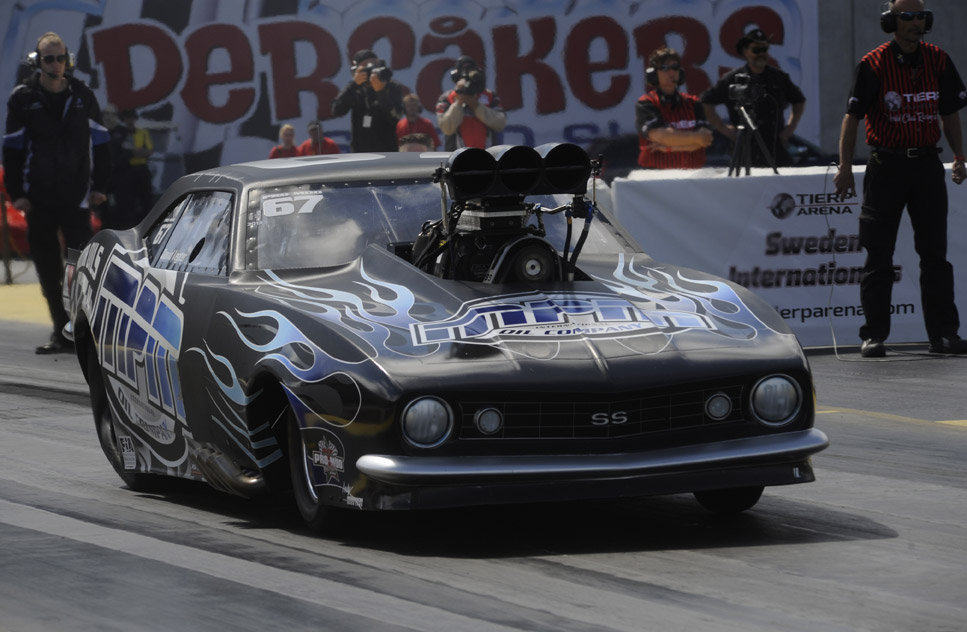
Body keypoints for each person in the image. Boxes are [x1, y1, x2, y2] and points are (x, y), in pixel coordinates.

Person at [833, 0, 967, 357]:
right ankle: (874, 335)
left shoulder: (939, 59)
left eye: (920, 16)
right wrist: (844, 168)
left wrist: (959, 156)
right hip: (886, 166)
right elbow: (852, 118)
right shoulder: (873, 63)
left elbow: (950, 113)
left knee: (935, 255)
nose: (915, 22)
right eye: (907, 16)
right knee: (879, 255)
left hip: (926, 165)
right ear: (890, 21)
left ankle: (944, 335)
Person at [3, 32, 110, 353]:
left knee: (81, 267)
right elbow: (12, 150)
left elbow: (102, 144)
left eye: (60, 58)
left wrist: (100, 187)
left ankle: (82, 332)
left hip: (77, 196)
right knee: (48, 269)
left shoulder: (82, 95)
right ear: (37, 62)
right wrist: (17, 193)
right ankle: (60, 333)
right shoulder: (22, 98)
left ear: (68, 60)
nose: (56, 64)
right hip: (38, 198)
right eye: (49, 58)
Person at [701, 28, 806, 168]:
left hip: (774, 147)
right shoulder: (733, 79)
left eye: (764, 49)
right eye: (756, 50)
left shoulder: (778, 77)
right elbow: (707, 101)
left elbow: (799, 100)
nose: (761, 54)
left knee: (780, 179)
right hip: (744, 147)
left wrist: (790, 128)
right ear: (745, 52)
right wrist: (723, 128)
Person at [635, 47, 713, 169]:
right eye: (665, 68)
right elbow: (661, 136)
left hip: (693, 174)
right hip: (655, 175)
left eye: (675, 68)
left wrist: (669, 148)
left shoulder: (693, 102)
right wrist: (695, 138)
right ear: (653, 74)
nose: (672, 72)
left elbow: (705, 139)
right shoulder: (646, 103)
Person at [331, 49, 403, 152]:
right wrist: (354, 85)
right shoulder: (355, 89)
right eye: (366, 66)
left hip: (387, 151)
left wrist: (381, 92)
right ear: (356, 70)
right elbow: (337, 111)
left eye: (375, 64)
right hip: (360, 152)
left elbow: (395, 118)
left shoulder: (391, 86)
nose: (371, 69)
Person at [436, 55, 507, 150]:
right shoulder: (447, 98)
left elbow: (500, 123)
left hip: (487, 155)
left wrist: (475, 105)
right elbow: (447, 128)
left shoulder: (490, 96)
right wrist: (459, 102)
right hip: (457, 156)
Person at [114, 108, 153, 227]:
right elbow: (123, 151)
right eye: (127, 118)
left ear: (135, 119)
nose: (129, 120)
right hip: (127, 169)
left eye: (131, 118)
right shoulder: (120, 133)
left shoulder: (142, 132)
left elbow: (148, 151)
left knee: (146, 197)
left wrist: (134, 152)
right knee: (128, 199)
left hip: (141, 168)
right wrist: (135, 152)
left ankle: (149, 222)